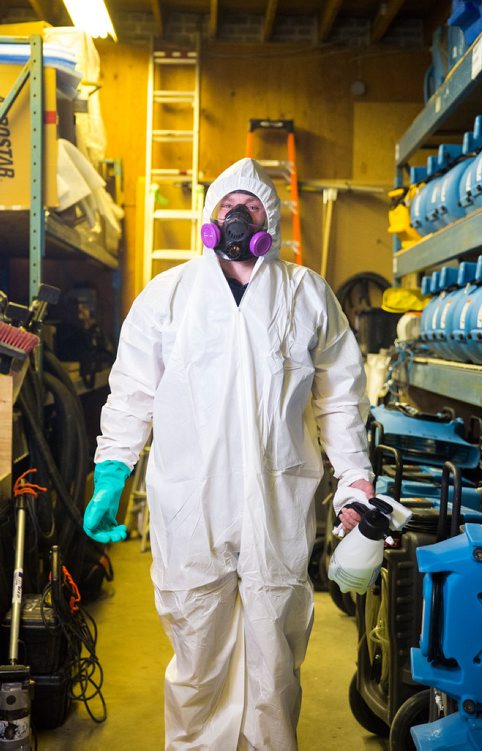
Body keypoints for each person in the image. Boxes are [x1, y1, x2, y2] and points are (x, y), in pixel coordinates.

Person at [83, 157, 374, 750]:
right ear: (209, 219)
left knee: (275, 649)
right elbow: (132, 393)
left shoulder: (306, 294)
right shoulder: (168, 296)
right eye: (226, 207)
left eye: (251, 207)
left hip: (278, 499)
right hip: (193, 500)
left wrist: (355, 481)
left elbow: (340, 399)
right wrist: (113, 470)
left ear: (272, 220)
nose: (238, 217)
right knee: (197, 648)